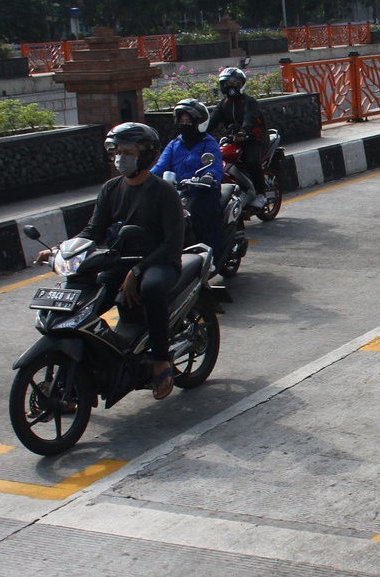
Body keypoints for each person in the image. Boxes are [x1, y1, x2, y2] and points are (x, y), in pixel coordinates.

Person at [35, 123, 185, 399]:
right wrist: (61, 249)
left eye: (128, 152)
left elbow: (172, 244)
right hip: (118, 261)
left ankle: (161, 361)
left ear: (145, 155)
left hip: (159, 262)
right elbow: (93, 230)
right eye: (117, 151)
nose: (121, 158)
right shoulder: (111, 189)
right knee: (88, 300)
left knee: (151, 288)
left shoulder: (164, 192)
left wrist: (137, 271)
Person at [152, 98, 224, 261]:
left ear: (199, 122)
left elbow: (215, 166)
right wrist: (145, 178)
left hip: (202, 191)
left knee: (201, 218)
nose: (185, 124)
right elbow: (160, 166)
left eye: (188, 120)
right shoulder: (174, 144)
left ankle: (212, 257)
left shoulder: (208, 143)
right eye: (182, 120)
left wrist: (209, 176)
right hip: (177, 192)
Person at [208, 66, 268, 210]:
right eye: (226, 83)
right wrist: (200, 132)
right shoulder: (223, 104)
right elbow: (212, 121)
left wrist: (244, 131)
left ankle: (261, 194)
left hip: (254, 139)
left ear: (241, 83)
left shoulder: (249, 102)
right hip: (233, 139)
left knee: (252, 162)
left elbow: (249, 118)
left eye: (234, 82)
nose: (230, 86)